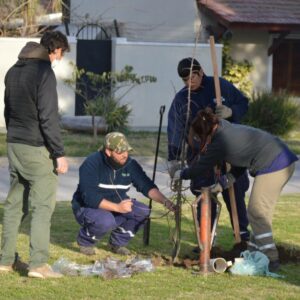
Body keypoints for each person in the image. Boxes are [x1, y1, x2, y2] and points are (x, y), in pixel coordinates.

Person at [174, 107, 298, 272]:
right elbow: (242, 161)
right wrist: (224, 182)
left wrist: (181, 174)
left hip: (275, 163)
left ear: (205, 134)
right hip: (280, 159)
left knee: (256, 212)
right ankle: (254, 253)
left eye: (200, 138)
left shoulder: (220, 141)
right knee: (259, 214)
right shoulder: (225, 128)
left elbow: (200, 167)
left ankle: (271, 259)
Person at [0, 31, 69, 278]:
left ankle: (6, 260)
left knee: (15, 203)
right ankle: (39, 264)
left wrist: (13, 136)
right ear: (56, 49)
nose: (59, 59)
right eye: (61, 54)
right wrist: (58, 153)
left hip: (14, 144)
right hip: (36, 148)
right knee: (42, 205)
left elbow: (8, 110)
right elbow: (48, 117)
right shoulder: (44, 73)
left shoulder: (13, 71)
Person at [167, 57, 250, 245]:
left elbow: (244, 103)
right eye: (185, 80)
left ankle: (243, 238)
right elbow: (175, 130)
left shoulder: (220, 86)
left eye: (192, 77)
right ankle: (206, 242)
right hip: (201, 155)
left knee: (235, 192)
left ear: (200, 72)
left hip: (229, 150)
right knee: (205, 197)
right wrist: (173, 158)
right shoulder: (182, 99)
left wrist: (231, 111)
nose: (190, 83)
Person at [72, 132, 176, 256]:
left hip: (117, 204)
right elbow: (89, 197)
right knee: (106, 220)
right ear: (108, 151)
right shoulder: (91, 163)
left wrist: (167, 202)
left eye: (126, 151)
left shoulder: (130, 164)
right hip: (88, 207)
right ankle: (85, 242)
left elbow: (146, 186)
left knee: (142, 211)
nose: (125, 155)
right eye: (120, 152)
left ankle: (117, 243)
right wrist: (117, 207)